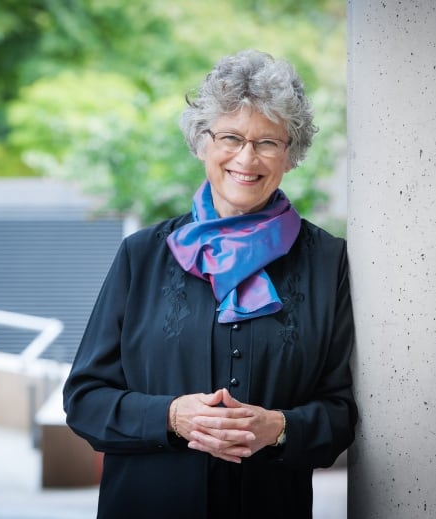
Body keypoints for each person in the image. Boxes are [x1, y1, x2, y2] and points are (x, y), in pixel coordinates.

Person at [63, 49, 357, 519]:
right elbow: (84, 399)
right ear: (203, 142)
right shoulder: (142, 255)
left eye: (268, 142)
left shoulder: (328, 261)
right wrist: (171, 417)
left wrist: (279, 427)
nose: (247, 157)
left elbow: (342, 411)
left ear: (290, 154)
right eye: (231, 137)